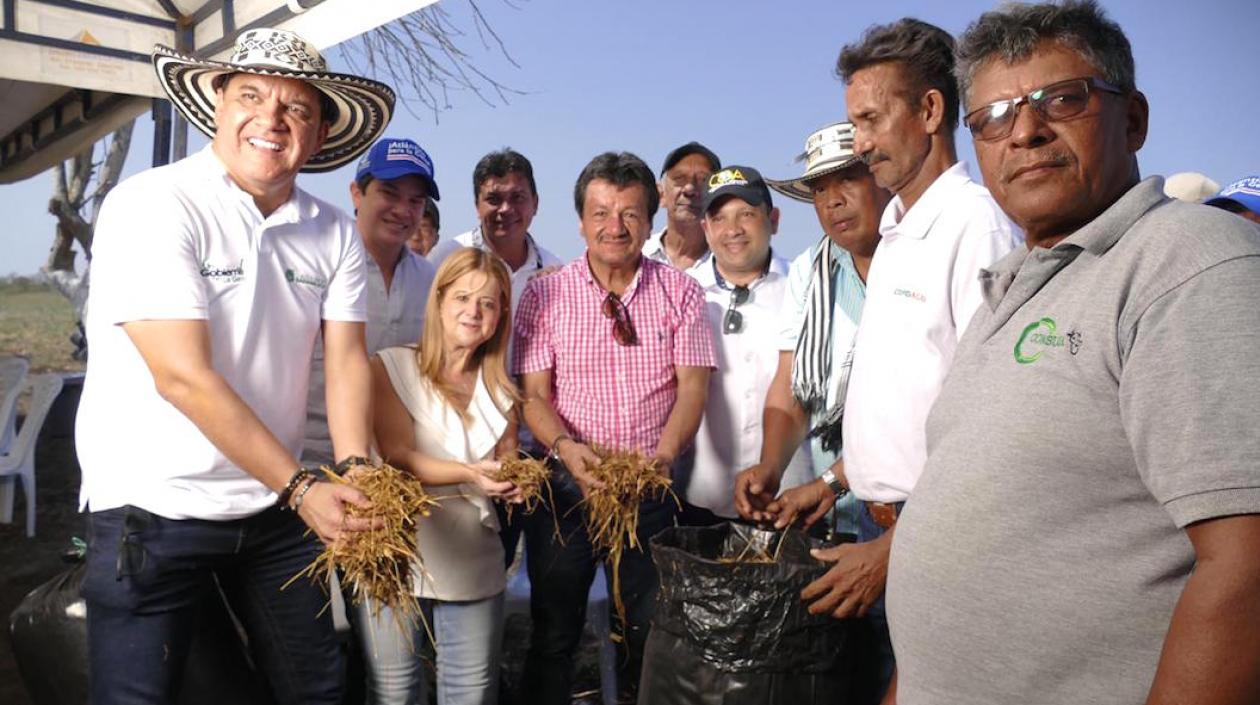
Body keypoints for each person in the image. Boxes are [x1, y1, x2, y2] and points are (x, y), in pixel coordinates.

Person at [887, 3, 1260, 705]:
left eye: (1064, 98)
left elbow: (1248, 569)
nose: (1025, 131)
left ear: (1134, 118)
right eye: (994, 116)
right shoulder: (1011, 290)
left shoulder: (1187, 261)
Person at [75, 28, 394, 704]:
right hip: (157, 503)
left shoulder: (333, 229)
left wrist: (358, 462)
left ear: (320, 131)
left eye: (296, 108)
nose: (271, 120)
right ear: (217, 103)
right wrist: (303, 486)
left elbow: (343, 360)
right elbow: (182, 375)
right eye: (252, 95)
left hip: (273, 505)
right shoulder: (155, 204)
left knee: (317, 689)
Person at [830, 18, 1024, 700]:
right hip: (877, 526)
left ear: (931, 111)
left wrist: (896, 551)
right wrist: (830, 482)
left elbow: (993, 427)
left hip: (935, 541)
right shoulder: (899, 229)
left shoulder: (978, 227)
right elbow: (909, 398)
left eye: (872, 120)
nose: (861, 143)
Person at [512, 151, 716, 703]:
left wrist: (665, 455)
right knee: (554, 632)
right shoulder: (545, 294)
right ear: (580, 220)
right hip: (565, 492)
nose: (614, 227)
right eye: (600, 212)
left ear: (650, 221)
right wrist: (566, 448)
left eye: (629, 214)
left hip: (647, 488)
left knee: (649, 631)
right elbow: (533, 397)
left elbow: (692, 388)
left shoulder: (681, 293)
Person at [363, 247, 523, 705]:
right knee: (394, 693)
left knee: (470, 694)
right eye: (462, 298)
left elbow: (509, 462)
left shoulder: (502, 391)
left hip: (471, 553)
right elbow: (397, 455)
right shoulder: (392, 366)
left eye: (488, 303)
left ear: (499, 316)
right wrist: (472, 474)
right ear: (438, 301)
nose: (473, 312)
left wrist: (517, 483)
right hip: (398, 550)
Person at [677, 165, 812, 524]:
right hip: (699, 500)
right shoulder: (681, 293)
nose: (732, 230)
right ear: (705, 229)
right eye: (719, 219)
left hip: (788, 498)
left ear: (774, 220)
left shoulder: (806, 288)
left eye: (747, 215)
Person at [303, 137, 439, 467]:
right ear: (356, 193)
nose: (402, 211)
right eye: (389, 193)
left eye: (415, 201)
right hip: (313, 457)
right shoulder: (318, 263)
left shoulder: (431, 279)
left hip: (397, 464)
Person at [428, 148, 563, 311]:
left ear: (535, 204)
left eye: (517, 198)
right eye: (494, 199)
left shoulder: (555, 271)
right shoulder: (446, 258)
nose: (506, 209)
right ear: (477, 206)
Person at [643, 141, 721, 274]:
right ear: (660, 195)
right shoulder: (636, 255)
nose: (690, 189)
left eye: (703, 180)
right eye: (679, 179)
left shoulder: (730, 263)